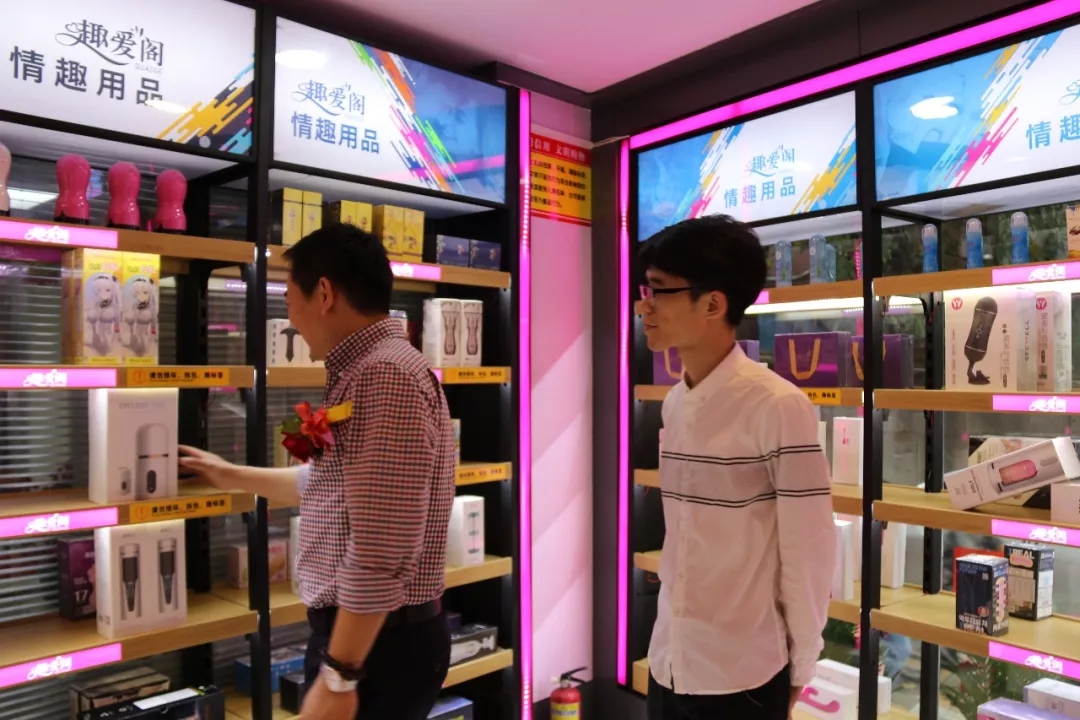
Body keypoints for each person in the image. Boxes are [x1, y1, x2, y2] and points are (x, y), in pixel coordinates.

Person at [179, 223, 456, 720]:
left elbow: (382, 545)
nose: (289, 317)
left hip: (374, 648)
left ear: (324, 294)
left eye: (289, 298)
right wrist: (229, 474)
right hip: (368, 640)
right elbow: (331, 487)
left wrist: (340, 675)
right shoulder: (366, 370)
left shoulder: (385, 375)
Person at [639, 215, 837, 720]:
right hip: (670, 663)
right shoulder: (676, 404)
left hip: (742, 676)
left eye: (658, 290)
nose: (644, 305)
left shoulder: (778, 406)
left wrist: (803, 664)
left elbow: (808, 549)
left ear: (713, 304)